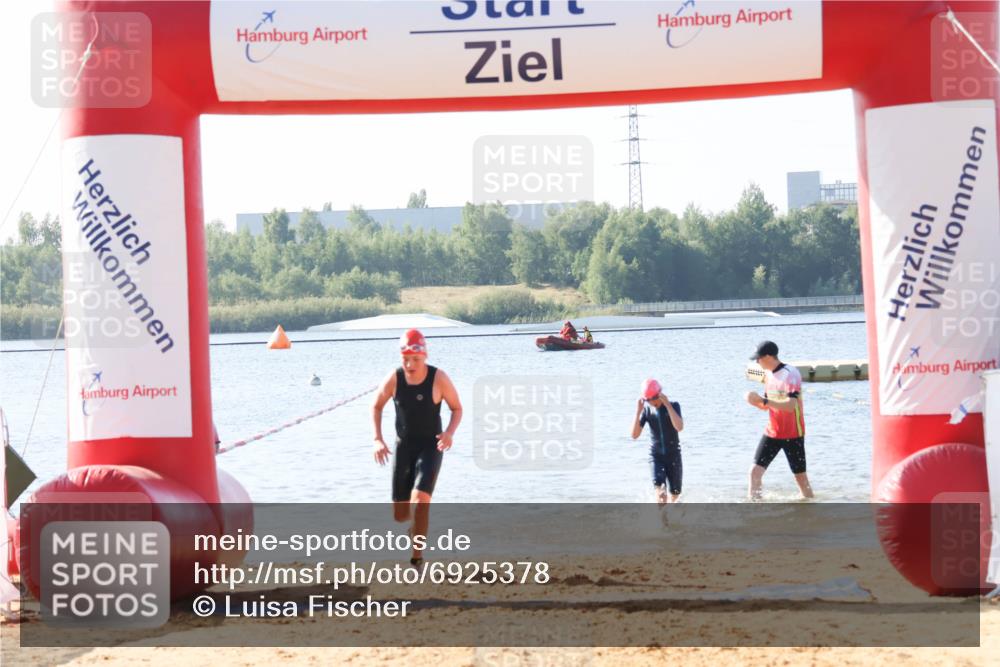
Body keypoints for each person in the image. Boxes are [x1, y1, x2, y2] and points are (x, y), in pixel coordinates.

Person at [372, 329, 463, 566]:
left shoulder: (438, 378)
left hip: (431, 447)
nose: (411, 364)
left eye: (416, 359)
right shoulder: (394, 378)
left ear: (425, 356)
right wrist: (378, 439)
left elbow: (457, 408)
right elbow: (376, 406)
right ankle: (414, 530)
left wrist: (449, 433)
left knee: (421, 501)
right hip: (403, 448)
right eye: (406, 360)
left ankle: (417, 558)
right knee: (401, 515)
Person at [745, 340, 813, 500]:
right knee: (754, 472)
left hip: (793, 433)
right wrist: (754, 401)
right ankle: (754, 509)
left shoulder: (791, 373)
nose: (756, 361)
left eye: (758, 358)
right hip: (772, 432)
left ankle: (811, 509)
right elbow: (767, 406)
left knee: (801, 479)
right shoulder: (768, 375)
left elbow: (790, 405)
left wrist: (764, 400)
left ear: (768, 356)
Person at [631, 378, 684, 505]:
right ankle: (662, 522)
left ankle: (672, 520)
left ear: (660, 394)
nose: (651, 402)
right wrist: (638, 411)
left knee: (675, 495)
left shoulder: (674, 406)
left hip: (673, 456)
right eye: (647, 400)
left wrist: (668, 405)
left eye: (653, 398)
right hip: (656, 456)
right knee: (661, 494)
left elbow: (679, 427)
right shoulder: (647, 411)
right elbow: (634, 435)